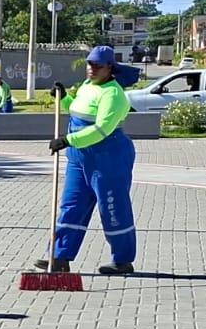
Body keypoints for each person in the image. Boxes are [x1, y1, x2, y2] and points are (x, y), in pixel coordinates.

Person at [36, 45, 141, 275]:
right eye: (89, 64)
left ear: (110, 68)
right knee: (71, 205)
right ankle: (59, 256)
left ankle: (122, 260)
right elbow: (75, 109)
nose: (91, 69)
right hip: (79, 157)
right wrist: (63, 98)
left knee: (111, 207)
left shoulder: (113, 95)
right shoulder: (86, 86)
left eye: (97, 66)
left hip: (108, 157)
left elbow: (102, 129)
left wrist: (67, 140)